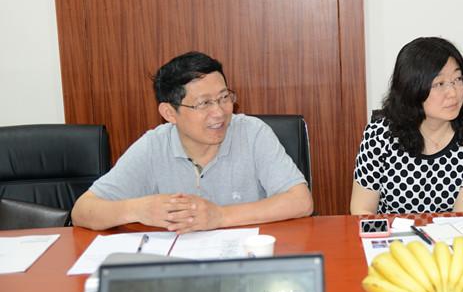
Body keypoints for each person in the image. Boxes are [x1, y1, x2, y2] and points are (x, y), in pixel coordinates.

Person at [71, 51, 313, 233]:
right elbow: (82, 211)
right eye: (204, 103)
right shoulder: (154, 146)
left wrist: (220, 216)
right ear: (169, 113)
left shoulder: (252, 133)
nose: (219, 112)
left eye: (224, 97)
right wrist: (137, 209)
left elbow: (301, 201)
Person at [350, 37, 463, 214]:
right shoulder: (379, 136)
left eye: (457, 79)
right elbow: (362, 209)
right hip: (389, 231)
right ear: (412, 89)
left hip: (450, 232)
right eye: (440, 83)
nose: (453, 92)